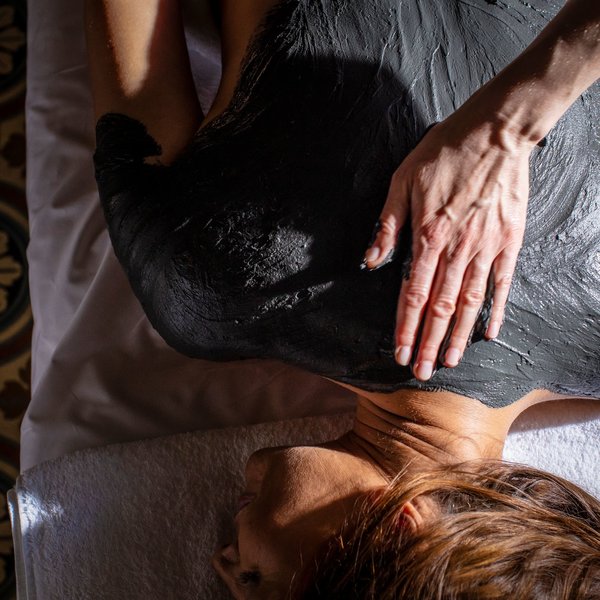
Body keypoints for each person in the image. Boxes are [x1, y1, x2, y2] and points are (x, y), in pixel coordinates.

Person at [84, 0, 600, 597]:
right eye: (262, 584)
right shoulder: (210, 286)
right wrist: (507, 128)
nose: (226, 565)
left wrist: (516, 119)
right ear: (399, 529)